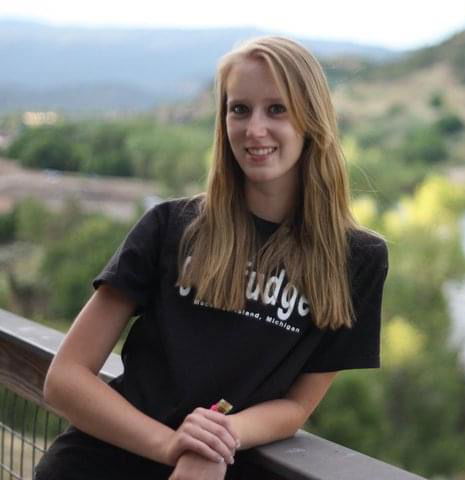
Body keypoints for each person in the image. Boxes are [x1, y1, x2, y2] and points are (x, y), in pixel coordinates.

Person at [35, 36, 388, 480]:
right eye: (239, 109)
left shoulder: (357, 260)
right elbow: (65, 378)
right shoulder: (171, 226)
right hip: (96, 464)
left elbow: (297, 405)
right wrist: (173, 445)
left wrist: (219, 437)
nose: (254, 129)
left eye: (276, 109)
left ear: (311, 120)